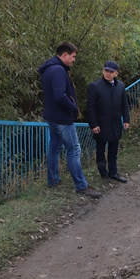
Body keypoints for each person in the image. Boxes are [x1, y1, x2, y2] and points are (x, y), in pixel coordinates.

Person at [38, 42, 102, 198]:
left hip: (51, 117)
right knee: (74, 151)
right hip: (62, 119)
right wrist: (73, 108)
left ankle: (53, 180)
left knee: (54, 148)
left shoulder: (48, 69)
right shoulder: (59, 70)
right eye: (73, 56)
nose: (74, 60)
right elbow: (60, 95)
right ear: (64, 54)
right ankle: (81, 185)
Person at [86, 61, 130, 183]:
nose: (108, 74)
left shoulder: (120, 86)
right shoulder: (95, 86)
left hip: (115, 123)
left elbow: (124, 104)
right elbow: (90, 108)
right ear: (103, 71)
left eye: (111, 72)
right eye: (106, 71)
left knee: (113, 149)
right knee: (100, 149)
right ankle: (102, 172)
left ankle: (113, 172)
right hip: (100, 124)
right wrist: (93, 124)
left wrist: (126, 119)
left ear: (116, 73)